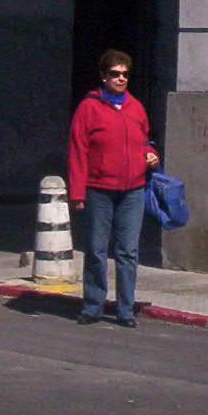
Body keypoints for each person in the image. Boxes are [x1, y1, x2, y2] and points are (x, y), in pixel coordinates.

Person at [66, 48, 158, 327]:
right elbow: (77, 150)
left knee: (127, 252)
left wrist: (151, 155)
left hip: (133, 190)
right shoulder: (89, 108)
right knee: (96, 249)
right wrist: (77, 192)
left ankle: (125, 310)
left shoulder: (136, 107)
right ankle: (93, 306)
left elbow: (145, 141)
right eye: (115, 74)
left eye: (125, 74)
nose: (121, 79)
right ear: (103, 76)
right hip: (99, 189)